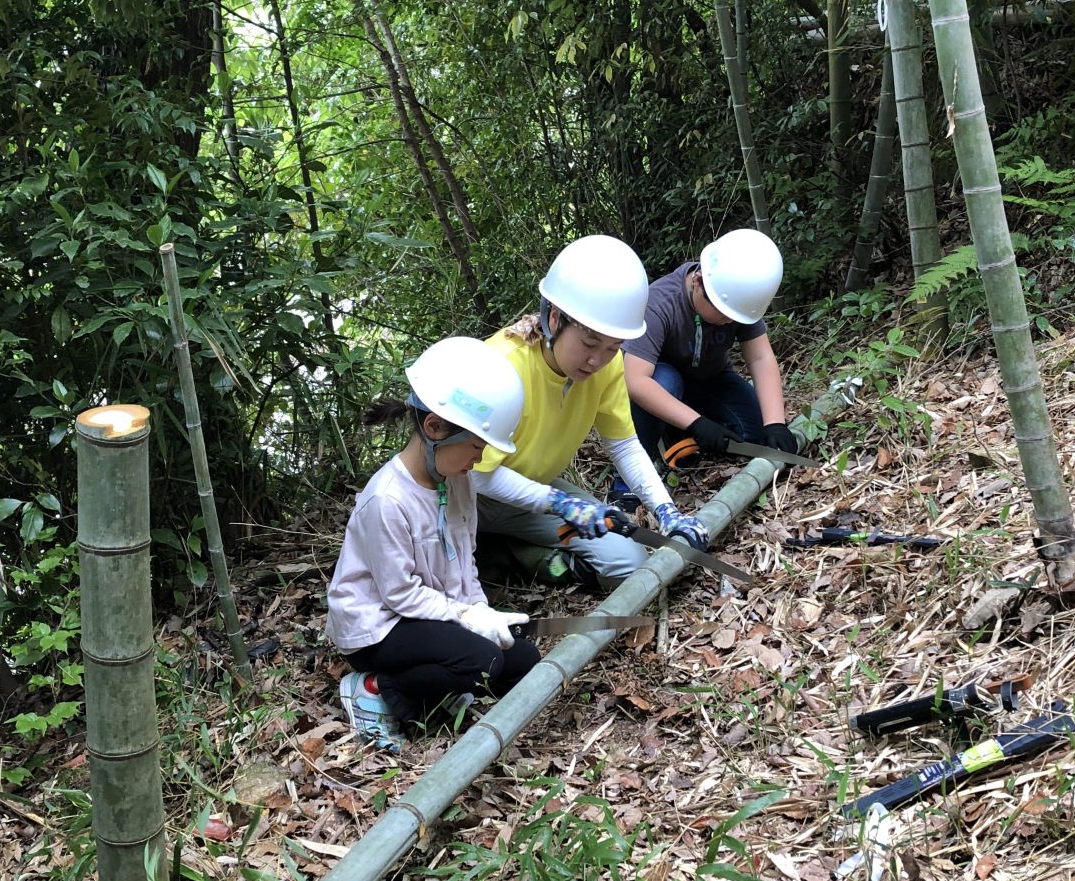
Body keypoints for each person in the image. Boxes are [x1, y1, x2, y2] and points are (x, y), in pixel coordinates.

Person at [326, 337, 538, 750]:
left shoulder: (459, 481)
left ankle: (437, 690)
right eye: (476, 446)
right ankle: (373, 688)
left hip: (432, 614)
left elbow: (464, 561)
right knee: (483, 661)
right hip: (380, 626)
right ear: (435, 428)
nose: (478, 459)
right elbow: (400, 594)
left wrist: (479, 610)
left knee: (523, 658)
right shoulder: (386, 500)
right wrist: (467, 619)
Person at [473, 235, 713, 591]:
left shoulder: (607, 366)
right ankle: (485, 551)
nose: (597, 360)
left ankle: (517, 553)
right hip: (467, 501)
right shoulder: (501, 366)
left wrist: (667, 511)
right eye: (588, 343)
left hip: (535, 490)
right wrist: (559, 502)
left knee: (629, 566)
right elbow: (473, 475)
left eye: (612, 347)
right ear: (554, 318)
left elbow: (625, 445)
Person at [624, 227, 802, 466]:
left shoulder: (737, 297)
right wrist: (696, 423)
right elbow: (635, 380)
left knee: (750, 436)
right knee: (666, 380)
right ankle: (635, 468)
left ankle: (686, 433)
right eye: (723, 313)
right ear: (698, 283)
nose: (728, 321)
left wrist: (775, 424)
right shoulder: (659, 305)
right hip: (661, 385)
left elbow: (760, 358)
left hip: (711, 380)